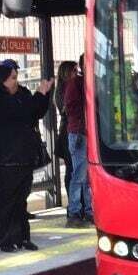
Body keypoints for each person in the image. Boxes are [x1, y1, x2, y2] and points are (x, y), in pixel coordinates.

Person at [0, 60, 54, 252]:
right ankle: (6, 239)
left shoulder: (23, 93)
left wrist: (43, 94)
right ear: (3, 79)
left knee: (22, 199)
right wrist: (37, 96)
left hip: (24, 154)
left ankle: (23, 237)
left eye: (17, 77)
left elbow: (35, 113)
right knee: (7, 199)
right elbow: (18, 113)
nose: (16, 82)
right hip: (6, 157)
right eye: (12, 78)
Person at [63, 54, 92, 228]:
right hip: (79, 133)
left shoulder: (85, 83)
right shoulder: (76, 83)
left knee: (87, 176)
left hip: (85, 133)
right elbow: (70, 107)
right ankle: (74, 212)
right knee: (79, 175)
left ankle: (89, 211)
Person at [54, 60, 78, 196]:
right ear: (67, 73)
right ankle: (73, 202)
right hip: (67, 133)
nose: (77, 73)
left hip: (68, 131)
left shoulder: (64, 89)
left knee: (74, 168)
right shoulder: (65, 90)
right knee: (72, 168)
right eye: (74, 71)